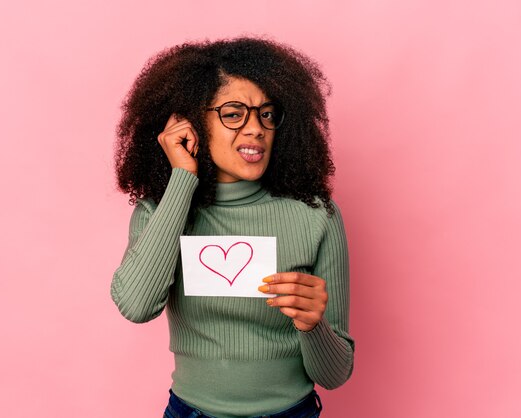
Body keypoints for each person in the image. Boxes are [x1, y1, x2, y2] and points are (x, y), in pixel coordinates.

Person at [111, 37, 354, 418]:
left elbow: (335, 374)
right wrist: (182, 179)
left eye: (267, 114)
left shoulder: (315, 215)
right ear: (193, 120)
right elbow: (137, 306)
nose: (256, 128)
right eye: (233, 113)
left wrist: (313, 326)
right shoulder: (161, 212)